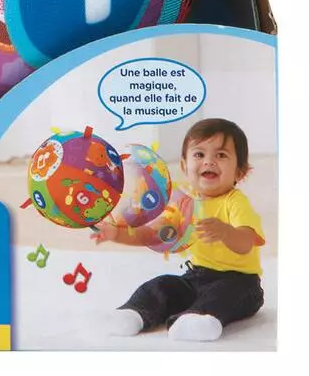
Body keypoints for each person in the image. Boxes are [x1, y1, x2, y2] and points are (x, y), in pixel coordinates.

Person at [95, 118, 264, 342]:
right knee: (163, 285)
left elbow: (246, 242)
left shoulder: (235, 202)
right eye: (199, 154)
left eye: (221, 155)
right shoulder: (183, 204)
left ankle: (200, 319)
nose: (209, 161)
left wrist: (225, 232)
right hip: (196, 276)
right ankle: (134, 313)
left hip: (241, 281)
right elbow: (152, 235)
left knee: (223, 295)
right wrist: (117, 234)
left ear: (240, 172)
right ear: (184, 166)